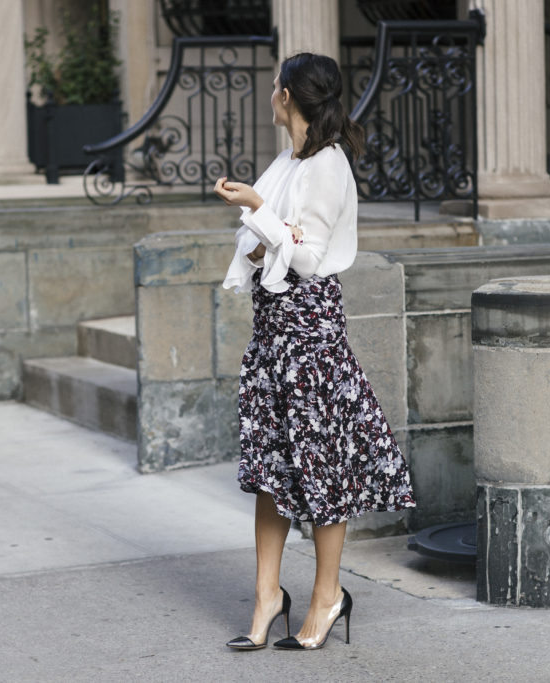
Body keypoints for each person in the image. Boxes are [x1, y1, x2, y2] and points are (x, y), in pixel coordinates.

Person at [213, 52, 415, 651]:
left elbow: (305, 258)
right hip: (274, 331)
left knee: (323, 467)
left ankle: (328, 597)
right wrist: (259, 231)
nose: (272, 91)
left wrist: (257, 210)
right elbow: (267, 249)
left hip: (311, 335)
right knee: (272, 469)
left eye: (277, 84)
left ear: (289, 97)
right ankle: (266, 597)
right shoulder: (287, 162)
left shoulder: (328, 166)